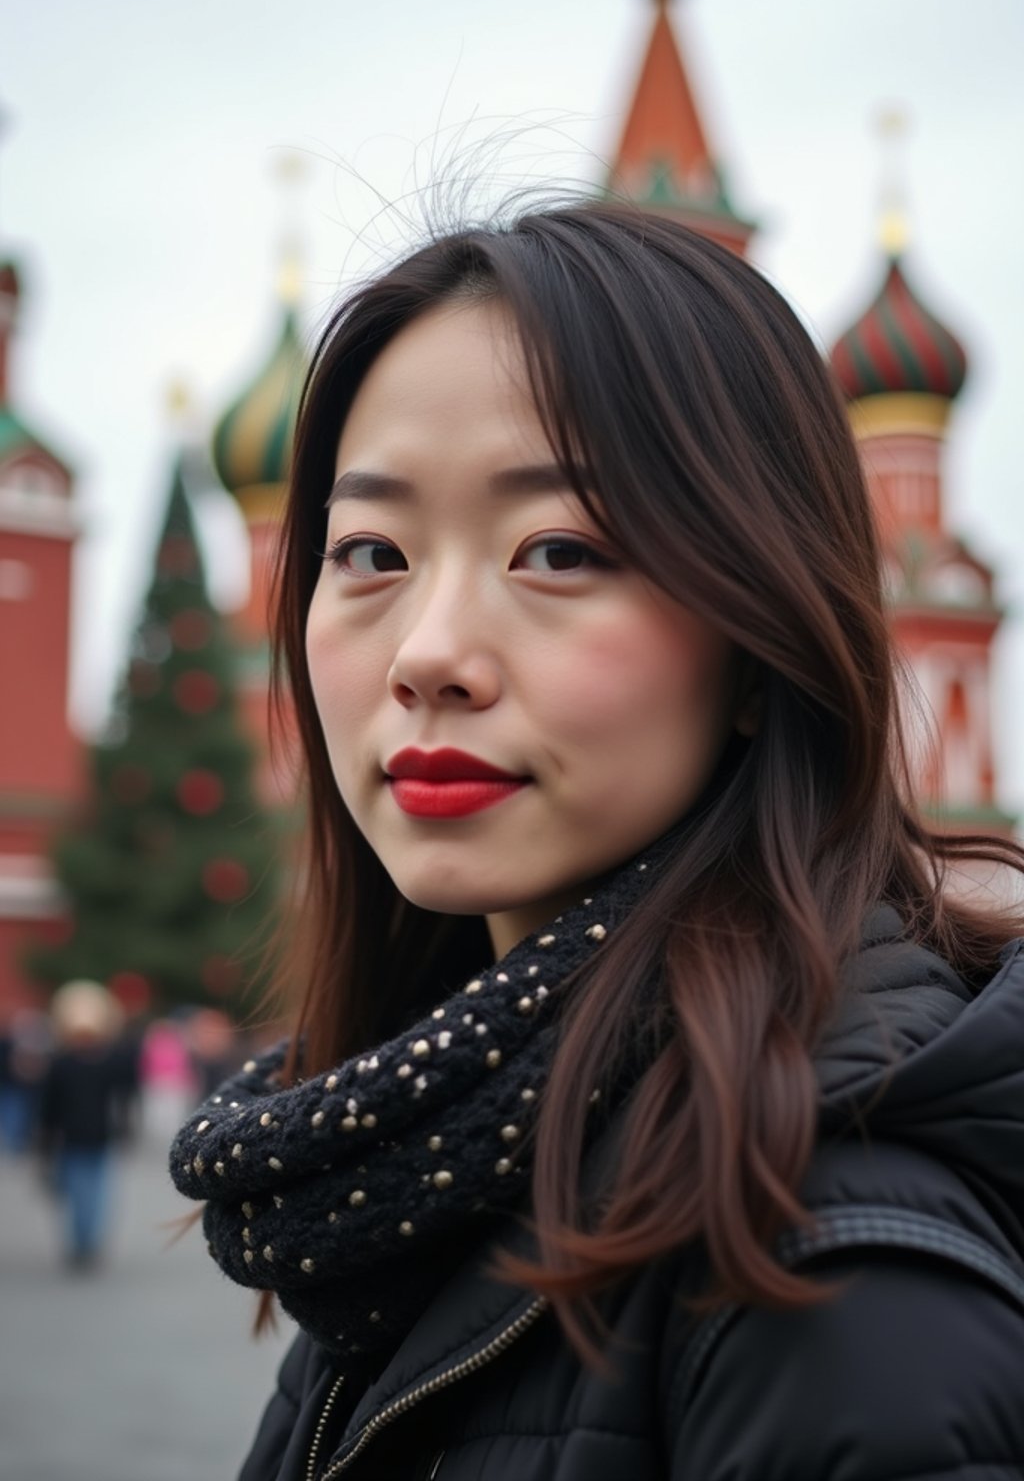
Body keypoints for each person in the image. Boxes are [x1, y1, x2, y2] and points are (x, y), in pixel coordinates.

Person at [171, 204, 1024, 1480]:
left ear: (759, 638)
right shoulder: (420, 1156)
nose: (428, 657)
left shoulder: (828, 1274)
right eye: (371, 552)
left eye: (557, 549)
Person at [39, 979, 130, 1268]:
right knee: (92, 1191)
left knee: (82, 1191)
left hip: (76, 1136)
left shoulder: (61, 1063)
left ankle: (83, 1242)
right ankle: (86, 1242)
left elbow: (48, 1106)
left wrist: (44, 1135)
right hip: (93, 1134)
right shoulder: (108, 1060)